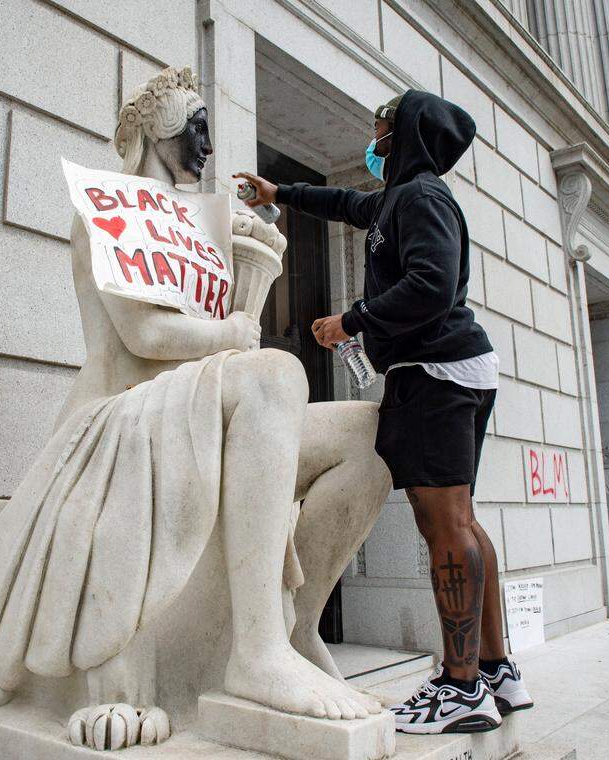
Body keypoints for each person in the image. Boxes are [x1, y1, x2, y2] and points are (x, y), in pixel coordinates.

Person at [234, 89, 534, 735]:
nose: (371, 139)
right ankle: (495, 670)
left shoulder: (421, 197)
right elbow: (344, 203)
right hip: (452, 370)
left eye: (379, 127)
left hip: (436, 373)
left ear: (405, 133)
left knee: (444, 525)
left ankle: (461, 689)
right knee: (463, 521)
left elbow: (430, 284)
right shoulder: (399, 199)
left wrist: (352, 320)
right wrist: (278, 193)